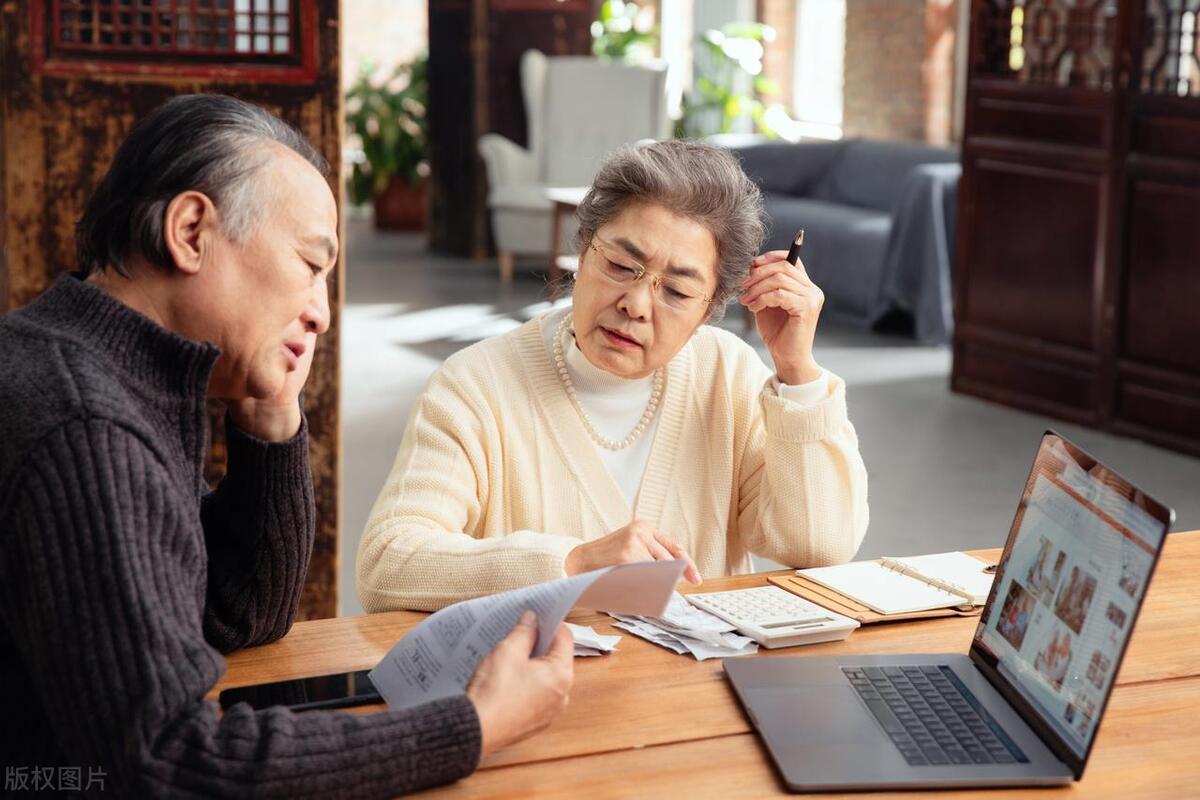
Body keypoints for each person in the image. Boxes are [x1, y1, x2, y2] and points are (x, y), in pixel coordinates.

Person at [0, 94, 572, 798]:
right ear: (190, 231)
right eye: (310, 264)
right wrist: (474, 724)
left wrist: (270, 415)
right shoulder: (88, 428)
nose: (322, 312)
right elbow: (170, 763)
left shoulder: (97, 369)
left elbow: (240, 614)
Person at [358, 139, 869, 613]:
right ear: (582, 250)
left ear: (710, 308)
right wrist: (574, 564)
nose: (637, 304)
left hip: (696, 697)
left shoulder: (728, 374)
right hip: (540, 695)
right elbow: (388, 562)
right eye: (623, 266)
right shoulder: (475, 385)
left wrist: (796, 370)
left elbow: (816, 544)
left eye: (677, 292)